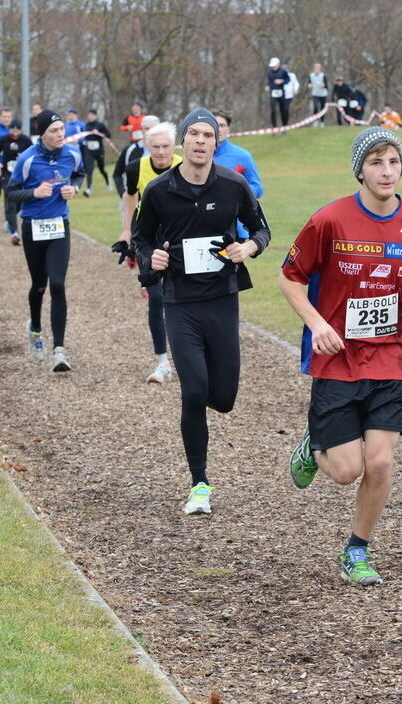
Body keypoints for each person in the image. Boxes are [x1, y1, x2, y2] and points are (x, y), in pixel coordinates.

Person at [280, 127, 402, 585]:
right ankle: (314, 446)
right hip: (338, 357)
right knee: (345, 470)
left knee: (379, 462)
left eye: (393, 162)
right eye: (376, 162)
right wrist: (317, 324)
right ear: (360, 169)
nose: (386, 170)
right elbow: (290, 277)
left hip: (393, 355)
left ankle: (357, 550)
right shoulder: (330, 220)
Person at [133, 108, 271, 515]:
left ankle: (205, 414)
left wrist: (250, 247)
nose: (198, 141)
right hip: (180, 302)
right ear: (182, 143)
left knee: (223, 398)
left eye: (206, 135)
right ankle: (199, 483)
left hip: (222, 299)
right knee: (193, 391)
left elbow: (261, 228)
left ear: (215, 143)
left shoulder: (233, 184)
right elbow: (141, 239)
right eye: (192, 133)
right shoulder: (159, 190)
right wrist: (150, 259)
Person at [5, 109, 85, 373]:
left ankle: (59, 350)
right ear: (42, 133)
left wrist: (73, 189)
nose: (61, 134)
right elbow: (11, 192)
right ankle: (36, 330)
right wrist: (34, 192)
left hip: (59, 226)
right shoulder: (27, 159)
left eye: (62, 129)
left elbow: (79, 175)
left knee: (58, 284)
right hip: (33, 228)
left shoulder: (72, 153)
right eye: (54, 130)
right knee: (39, 285)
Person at [119, 121, 182, 384]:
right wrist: (126, 231)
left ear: (174, 146)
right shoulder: (136, 168)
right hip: (148, 238)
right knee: (156, 297)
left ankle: (187, 356)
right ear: (147, 146)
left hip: (179, 236)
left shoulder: (183, 165)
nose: (160, 151)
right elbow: (130, 198)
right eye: (155, 147)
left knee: (181, 296)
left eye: (165, 146)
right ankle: (162, 362)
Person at [212, 108, 265, 239]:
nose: (218, 129)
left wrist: (234, 191)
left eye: (222, 125)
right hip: (202, 225)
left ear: (228, 129)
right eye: (214, 125)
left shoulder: (242, 156)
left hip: (235, 228)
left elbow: (257, 188)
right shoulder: (197, 155)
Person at [0, 119, 32, 245]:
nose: (15, 133)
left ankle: (9, 221)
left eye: (17, 130)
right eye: (13, 130)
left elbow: (33, 155)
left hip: (21, 175)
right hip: (7, 173)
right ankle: (15, 232)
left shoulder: (26, 140)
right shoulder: (3, 140)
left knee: (20, 202)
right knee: (9, 199)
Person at [113, 114, 159, 197]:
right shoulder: (130, 150)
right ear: (141, 130)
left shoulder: (165, 151)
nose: (150, 132)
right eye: (147, 129)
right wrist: (123, 193)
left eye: (153, 129)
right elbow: (117, 174)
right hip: (132, 201)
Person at [81, 109, 115, 196]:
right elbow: (82, 135)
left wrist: (99, 133)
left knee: (101, 170)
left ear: (96, 116)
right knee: (89, 170)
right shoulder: (86, 125)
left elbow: (108, 135)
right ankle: (89, 189)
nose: (90, 116)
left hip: (99, 151)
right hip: (89, 151)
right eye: (89, 115)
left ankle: (108, 183)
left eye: (92, 115)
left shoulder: (100, 125)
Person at [266, 58, 291, 128]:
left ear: (278, 65)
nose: (273, 67)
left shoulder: (283, 72)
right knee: (273, 110)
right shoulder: (269, 72)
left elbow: (288, 80)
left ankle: (284, 126)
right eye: (272, 66)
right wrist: (268, 86)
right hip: (273, 93)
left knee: (283, 110)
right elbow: (270, 82)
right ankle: (274, 127)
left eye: (274, 66)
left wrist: (282, 81)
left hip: (281, 93)